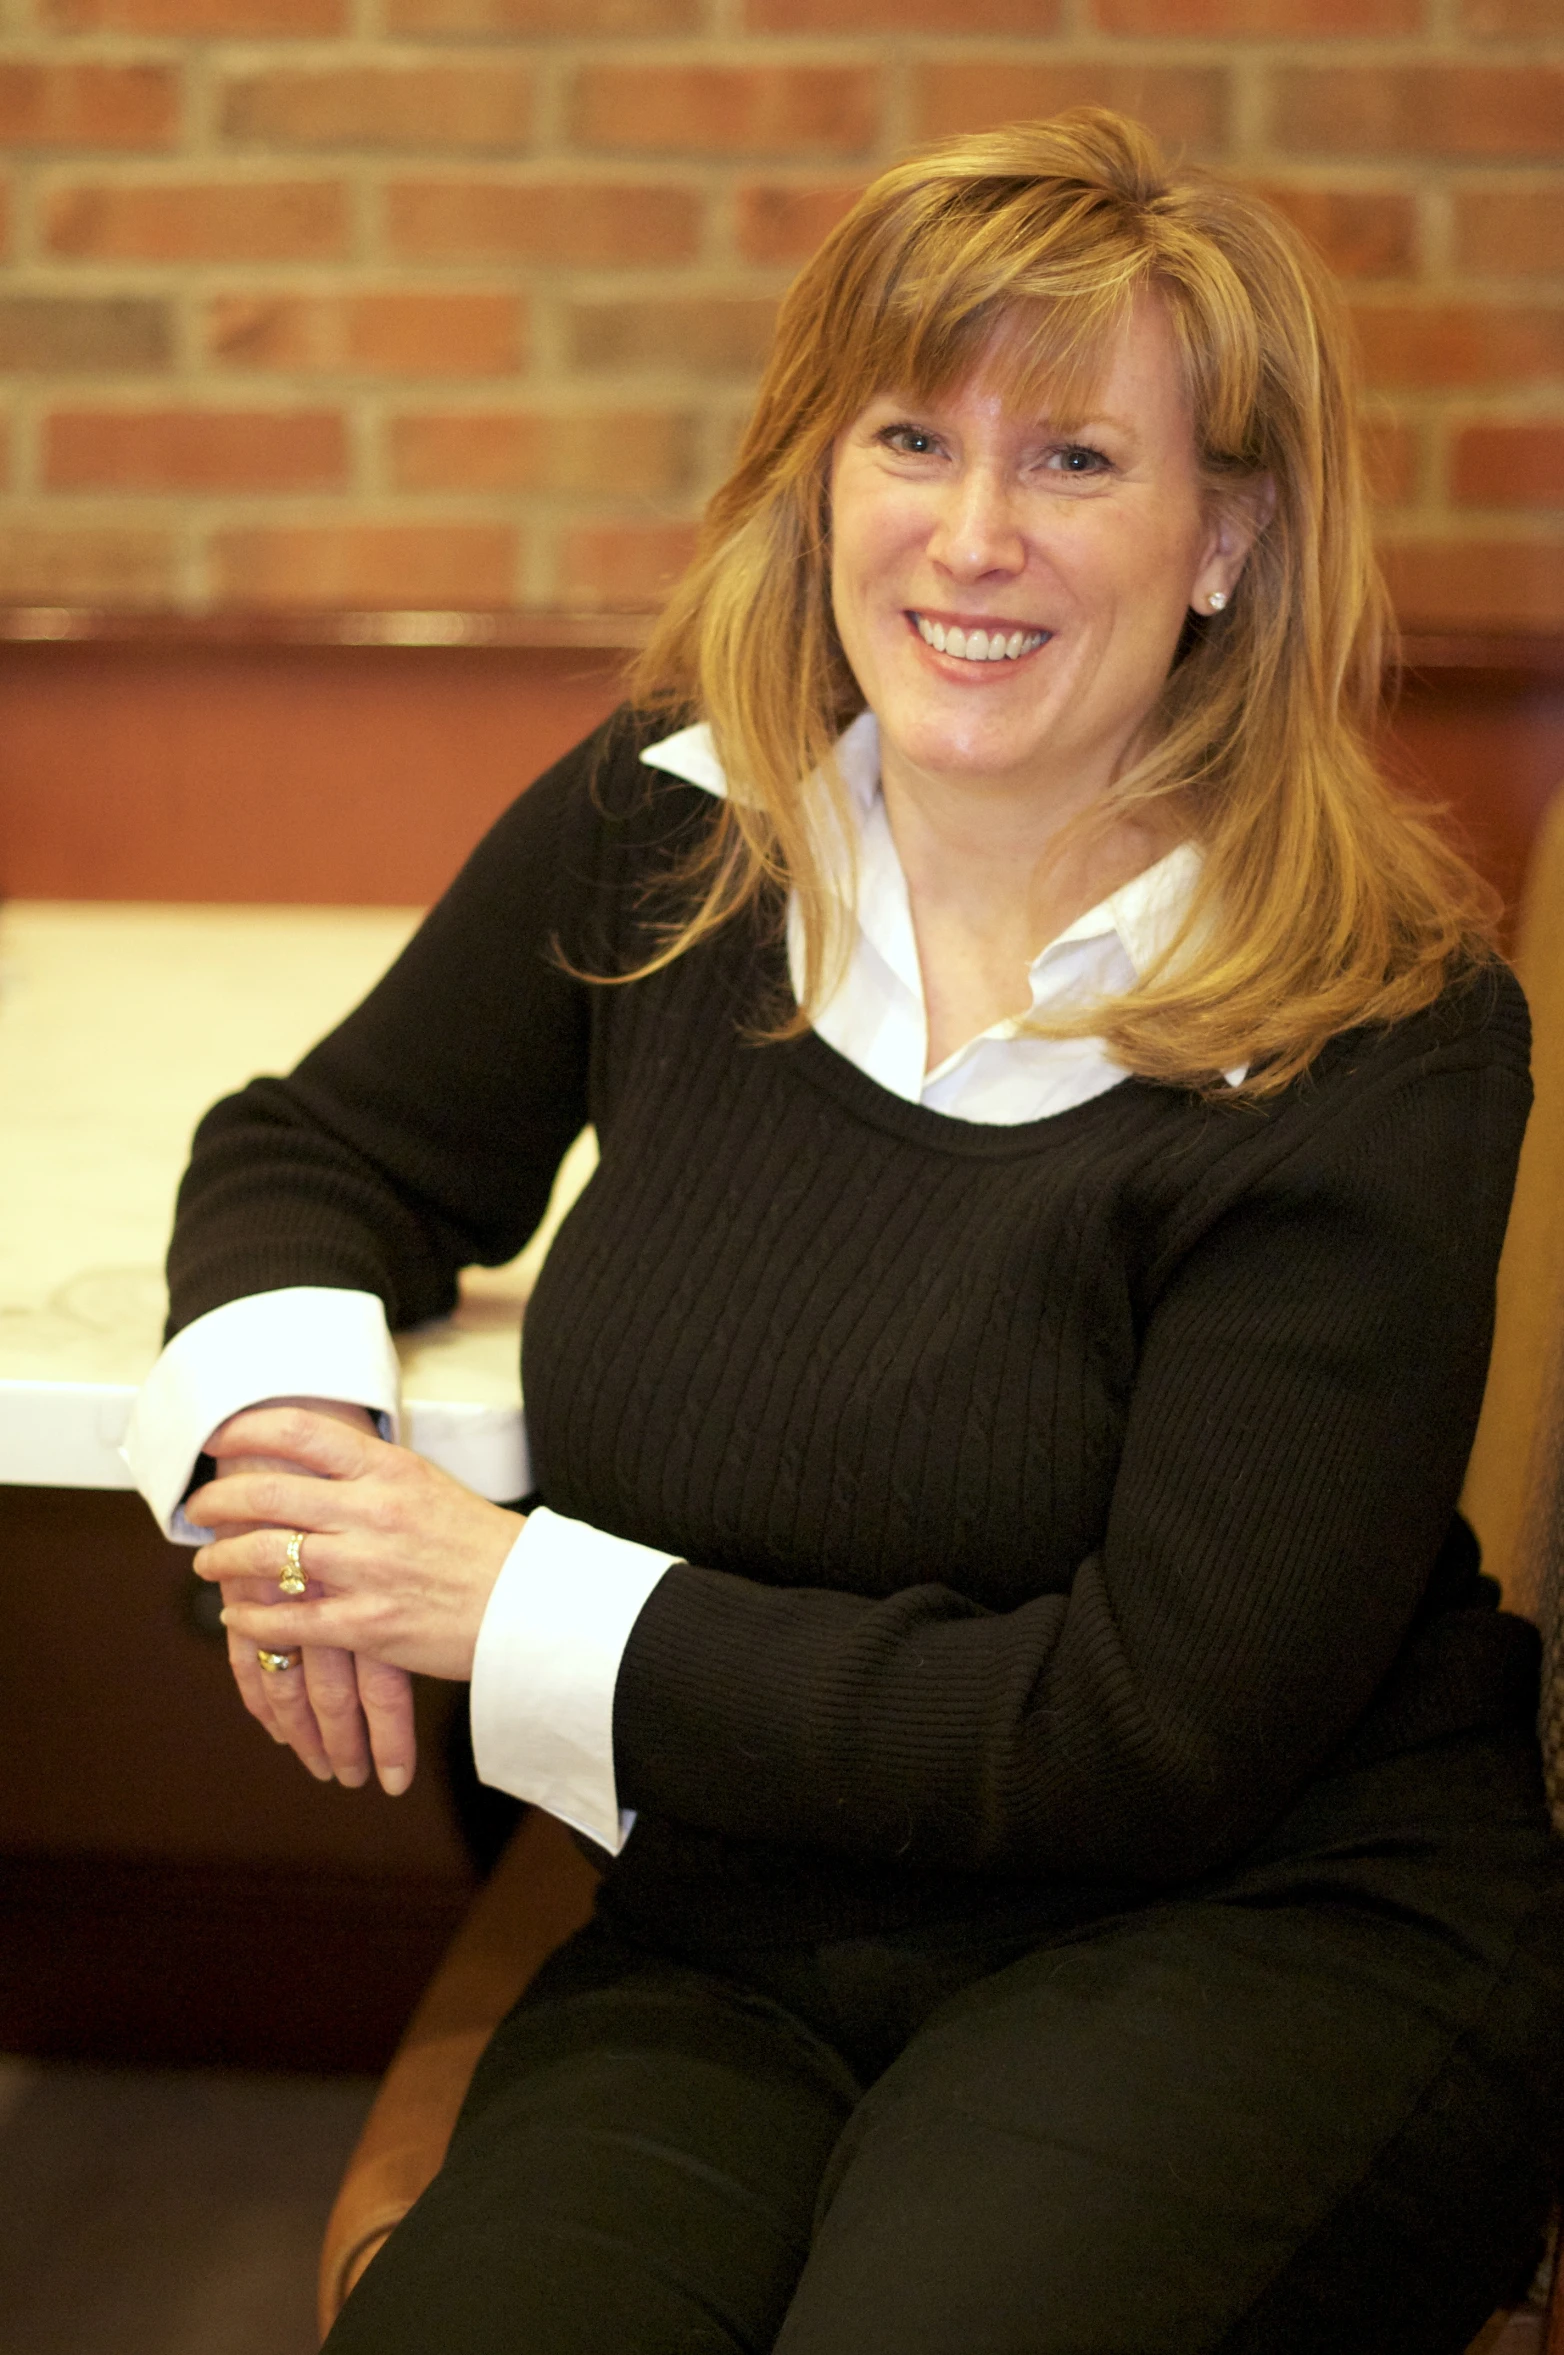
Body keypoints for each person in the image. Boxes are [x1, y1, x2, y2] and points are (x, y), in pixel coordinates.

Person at [126, 108, 1564, 2355]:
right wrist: (286, 1478)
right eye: (909, 436)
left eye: (1075, 461)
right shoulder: (674, 824)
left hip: (1249, 1921)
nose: (968, 536)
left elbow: (1144, 1731)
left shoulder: (1377, 1028)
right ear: (820, 477)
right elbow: (319, 1144)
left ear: (1227, 538)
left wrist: (519, 1605)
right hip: (736, 1917)